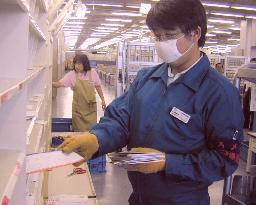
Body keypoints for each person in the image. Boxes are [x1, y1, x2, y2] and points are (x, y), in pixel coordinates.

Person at [59, 0, 244, 204]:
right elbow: (121, 120)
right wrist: (97, 139)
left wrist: (167, 162)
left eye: (170, 35)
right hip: (138, 198)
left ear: (196, 33)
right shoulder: (147, 78)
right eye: (157, 36)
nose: (162, 42)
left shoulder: (219, 93)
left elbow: (224, 159)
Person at [53, 54, 106, 131]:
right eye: (75, 63)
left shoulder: (92, 73)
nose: (76, 66)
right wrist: (49, 83)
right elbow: (59, 84)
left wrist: (103, 99)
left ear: (85, 63)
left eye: (79, 64)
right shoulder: (72, 75)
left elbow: (98, 86)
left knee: (91, 133)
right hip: (78, 113)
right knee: (79, 134)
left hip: (90, 111)